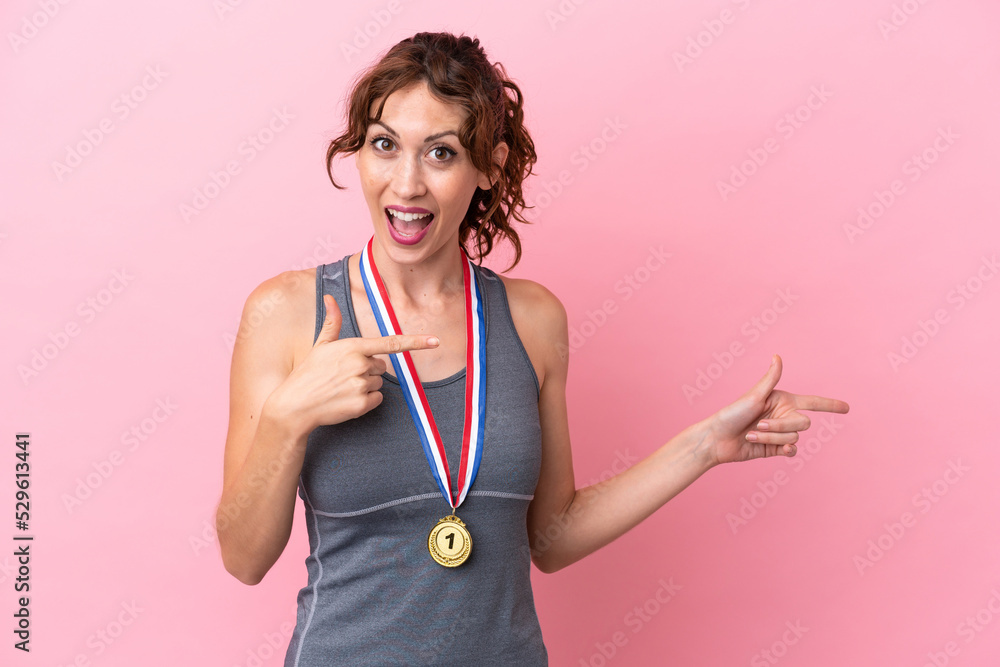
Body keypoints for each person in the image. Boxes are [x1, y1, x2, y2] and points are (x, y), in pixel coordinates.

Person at [215, 31, 850, 666]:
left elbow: (551, 536)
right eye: (385, 145)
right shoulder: (288, 313)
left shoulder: (533, 320)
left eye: (441, 153)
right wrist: (287, 418)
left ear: (488, 166)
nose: (405, 184)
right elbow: (243, 559)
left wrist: (705, 446)